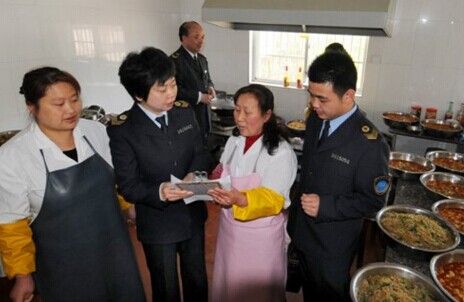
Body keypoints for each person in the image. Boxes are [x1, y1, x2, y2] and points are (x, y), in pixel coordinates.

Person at [0, 67, 145, 302]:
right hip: (63, 267)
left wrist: (130, 206)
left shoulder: (96, 132)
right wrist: (22, 275)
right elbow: (12, 226)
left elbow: (117, 181)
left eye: (75, 99)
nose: (71, 110)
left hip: (116, 252)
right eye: (58, 104)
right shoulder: (13, 156)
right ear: (31, 106)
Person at [107, 47, 209, 302]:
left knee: (197, 280)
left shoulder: (184, 112)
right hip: (158, 222)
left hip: (192, 214)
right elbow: (128, 185)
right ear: (139, 94)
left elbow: (201, 152)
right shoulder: (124, 130)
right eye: (161, 89)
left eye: (172, 85)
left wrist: (195, 173)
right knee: (166, 287)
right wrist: (160, 191)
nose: (171, 94)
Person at [287, 52, 390, 301]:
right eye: (311, 95)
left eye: (322, 98)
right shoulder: (315, 120)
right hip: (302, 232)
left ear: (349, 96)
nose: (314, 104)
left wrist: (327, 205)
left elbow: (373, 201)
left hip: (332, 244)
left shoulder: (369, 144)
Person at [208, 84, 297, 302]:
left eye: (248, 112)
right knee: (229, 284)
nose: (239, 118)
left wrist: (239, 198)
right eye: (237, 110)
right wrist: (210, 181)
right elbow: (222, 169)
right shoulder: (234, 140)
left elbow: (274, 200)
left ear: (266, 115)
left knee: (257, 293)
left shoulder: (280, 152)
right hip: (230, 232)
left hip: (260, 238)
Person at [171, 21, 215, 142]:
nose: (201, 41)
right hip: (186, 119)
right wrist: (200, 97)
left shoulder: (202, 59)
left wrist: (211, 87)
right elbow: (174, 90)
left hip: (204, 117)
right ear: (184, 38)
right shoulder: (174, 61)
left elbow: (208, 80)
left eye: (203, 37)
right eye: (196, 37)